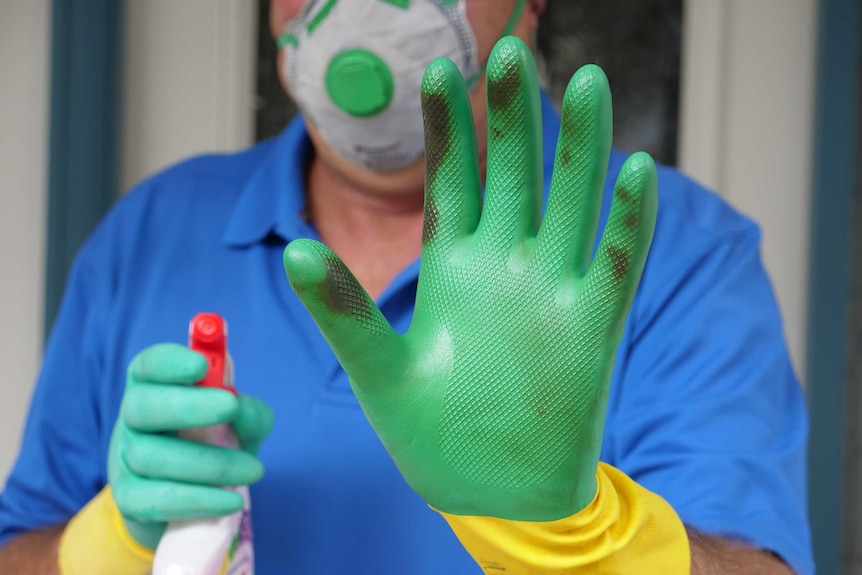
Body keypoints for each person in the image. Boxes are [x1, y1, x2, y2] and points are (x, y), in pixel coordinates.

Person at [0, 0, 813, 573]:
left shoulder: (678, 251)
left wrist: (580, 540)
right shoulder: (150, 230)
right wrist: (106, 545)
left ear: (530, 6)